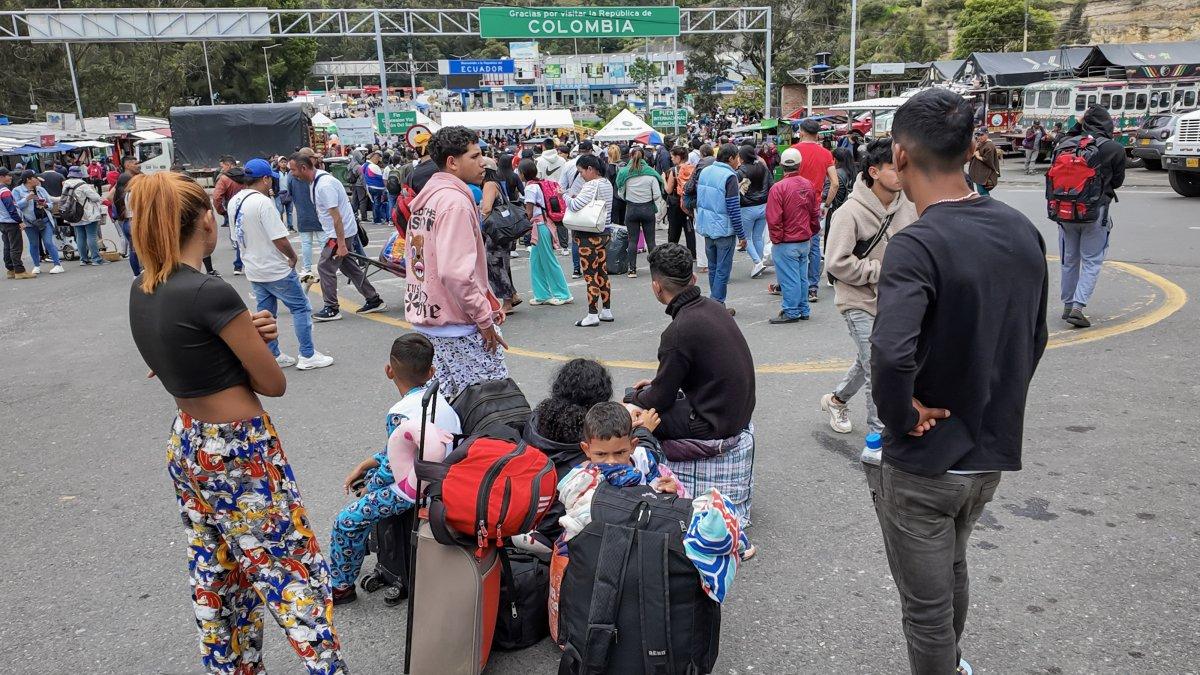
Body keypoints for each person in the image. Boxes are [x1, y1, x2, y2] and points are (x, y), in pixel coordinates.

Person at [126, 171, 347, 674]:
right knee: (291, 572)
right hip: (240, 452)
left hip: (189, 443)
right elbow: (272, 383)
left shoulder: (145, 288)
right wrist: (255, 338)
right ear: (206, 220)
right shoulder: (210, 292)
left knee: (218, 572)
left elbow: (174, 358)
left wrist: (245, 332)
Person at [867, 88, 1048, 675]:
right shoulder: (1022, 229)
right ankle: (955, 660)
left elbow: (891, 354)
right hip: (987, 454)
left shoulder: (917, 243)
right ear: (971, 146)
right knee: (953, 569)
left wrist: (902, 414)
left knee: (925, 608)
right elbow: (1034, 337)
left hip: (925, 462)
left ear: (899, 156)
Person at [626, 243, 757, 523]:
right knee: (641, 396)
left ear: (656, 287)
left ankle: (638, 485)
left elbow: (659, 399)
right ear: (693, 280)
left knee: (632, 412)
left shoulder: (678, 331)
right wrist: (653, 388)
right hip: (732, 408)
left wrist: (634, 401)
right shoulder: (713, 307)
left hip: (713, 420)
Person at [328, 333, 460, 604]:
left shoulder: (400, 412)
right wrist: (367, 464)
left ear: (389, 371)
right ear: (431, 371)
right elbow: (401, 450)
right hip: (445, 476)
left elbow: (391, 472)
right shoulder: (440, 399)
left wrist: (367, 487)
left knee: (346, 521)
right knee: (368, 499)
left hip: (415, 489)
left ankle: (341, 587)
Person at [818, 138, 917, 434]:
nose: (901, 175)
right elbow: (835, 263)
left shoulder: (909, 206)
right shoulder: (849, 212)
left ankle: (836, 400)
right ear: (873, 171)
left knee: (872, 359)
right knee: (878, 367)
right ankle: (881, 434)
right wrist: (881, 271)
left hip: (897, 299)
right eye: (894, 168)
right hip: (857, 299)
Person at [404, 126, 508, 399]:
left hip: (428, 320)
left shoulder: (429, 198)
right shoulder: (455, 203)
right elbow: (456, 273)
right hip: (458, 328)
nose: (482, 162)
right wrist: (484, 319)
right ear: (452, 162)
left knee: (447, 410)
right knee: (490, 407)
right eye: (474, 156)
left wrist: (489, 302)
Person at [228, 158, 334, 371]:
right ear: (266, 179)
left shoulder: (235, 201)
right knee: (301, 308)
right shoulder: (262, 202)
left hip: (254, 268)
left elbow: (235, 237)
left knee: (265, 313)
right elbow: (279, 238)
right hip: (275, 268)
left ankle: (273, 354)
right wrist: (293, 257)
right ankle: (307, 355)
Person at [289, 152, 387, 322]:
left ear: (304, 168)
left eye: (293, 170)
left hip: (339, 234)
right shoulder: (316, 181)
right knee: (349, 267)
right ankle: (373, 299)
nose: (292, 174)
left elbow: (337, 218)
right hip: (338, 233)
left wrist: (341, 244)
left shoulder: (324, 185)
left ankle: (331, 308)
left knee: (325, 267)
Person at [1054, 104, 1126, 328]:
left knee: (1069, 260)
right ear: (1107, 123)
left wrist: (1079, 123)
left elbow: (1068, 136)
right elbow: (1117, 182)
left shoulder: (1064, 144)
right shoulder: (1114, 148)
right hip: (1096, 213)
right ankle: (1078, 307)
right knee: (1092, 261)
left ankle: (1067, 305)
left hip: (1064, 212)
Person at [764, 147, 820, 324]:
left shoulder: (778, 188)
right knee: (801, 277)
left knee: (790, 279)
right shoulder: (808, 184)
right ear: (799, 164)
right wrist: (812, 231)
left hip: (787, 241)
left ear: (781, 164)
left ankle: (791, 311)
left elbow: (774, 218)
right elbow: (814, 212)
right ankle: (803, 308)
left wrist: (777, 239)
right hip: (804, 239)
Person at [791, 118, 839, 304]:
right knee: (814, 244)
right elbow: (834, 183)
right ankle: (812, 287)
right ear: (818, 134)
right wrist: (826, 205)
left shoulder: (793, 151)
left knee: (791, 243)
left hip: (794, 204)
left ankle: (793, 284)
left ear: (801, 132)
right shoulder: (826, 154)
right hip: (815, 204)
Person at [693, 144, 745, 310]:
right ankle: (717, 304)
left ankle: (714, 301)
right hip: (723, 229)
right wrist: (742, 235)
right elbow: (733, 209)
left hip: (706, 227)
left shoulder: (705, 172)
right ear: (730, 158)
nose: (739, 161)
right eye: (737, 157)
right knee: (723, 269)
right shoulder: (730, 176)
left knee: (713, 267)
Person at [565, 154, 615, 327]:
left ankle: (592, 314)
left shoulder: (591, 185)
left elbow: (575, 205)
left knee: (590, 275)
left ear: (590, 169)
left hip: (588, 235)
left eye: (581, 172)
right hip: (604, 231)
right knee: (602, 272)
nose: (581, 176)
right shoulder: (606, 183)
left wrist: (564, 196)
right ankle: (606, 310)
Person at [520, 158, 573, 306]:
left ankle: (563, 294)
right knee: (536, 261)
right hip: (543, 224)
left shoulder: (530, 188)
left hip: (539, 226)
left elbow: (529, 212)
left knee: (548, 261)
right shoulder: (538, 184)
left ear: (523, 173)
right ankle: (541, 294)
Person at [479, 156, 523, 313]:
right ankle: (513, 295)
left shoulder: (489, 185)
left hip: (495, 233)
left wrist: (479, 221)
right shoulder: (496, 183)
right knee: (503, 264)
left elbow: (486, 209)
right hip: (503, 231)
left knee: (495, 264)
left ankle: (507, 302)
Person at [615, 146, 664, 278]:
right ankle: (655, 270)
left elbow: (620, 192)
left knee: (632, 241)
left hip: (631, 209)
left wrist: (630, 198)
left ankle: (632, 270)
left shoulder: (624, 172)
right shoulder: (651, 174)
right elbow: (657, 194)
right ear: (644, 157)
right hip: (648, 209)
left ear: (630, 156)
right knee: (651, 242)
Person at [13, 171, 63, 275]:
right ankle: (36, 266)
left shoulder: (41, 189)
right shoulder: (17, 191)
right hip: (29, 222)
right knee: (34, 244)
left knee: (48, 242)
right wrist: (26, 199)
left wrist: (44, 205)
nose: (37, 180)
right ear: (28, 179)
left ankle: (58, 264)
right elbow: (15, 207)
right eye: (35, 178)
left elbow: (50, 204)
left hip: (44, 220)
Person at [737, 144, 772, 279]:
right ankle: (760, 262)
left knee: (746, 237)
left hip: (747, 208)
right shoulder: (763, 167)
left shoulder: (740, 172)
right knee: (758, 236)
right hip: (763, 205)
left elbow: (737, 190)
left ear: (742, 157)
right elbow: (770, 184)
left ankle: (757, 262)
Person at [62, 165, 106, 266]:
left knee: (80, 236)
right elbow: (95, 197)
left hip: (74, 214)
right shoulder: (83, 185)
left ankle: (83, 259)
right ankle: (96, 259)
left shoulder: (66, 185)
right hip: (87, 213)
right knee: (91, 235)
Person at [290, 149, 324, 279]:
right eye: (312, 157)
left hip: (302, 212)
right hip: (316, 212)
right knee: (322, 241)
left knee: (307, 242)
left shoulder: (292, 176)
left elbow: (290, 192)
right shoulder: (314, 174)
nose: (314, 159)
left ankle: (307, 267)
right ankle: (327, 265)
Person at [212, 155, 245, 275]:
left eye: (223, 166)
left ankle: (238, 266)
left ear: (229, 165)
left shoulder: (224, 179)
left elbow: (216, 197)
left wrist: (222, 211)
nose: (222, 169)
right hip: (250, 207)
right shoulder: (246, 174)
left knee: (238, 237)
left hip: (233, 210)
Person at [1, 168, 34, 280]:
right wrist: (19, 221)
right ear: (1, 177)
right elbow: (11, 208)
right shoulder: (4, 191)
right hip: (11, 222)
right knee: (16, 247)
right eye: (8, 175)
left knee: (7, 246)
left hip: (2, 222)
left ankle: (11, 269)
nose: (10, 177)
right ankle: (19, 271)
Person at [967, 128, 1000, 196]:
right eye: (978, 135)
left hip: (984, 175)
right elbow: (971, 155)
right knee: (981, 192)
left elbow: (988, 160)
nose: (979, 137)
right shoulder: (981, 143)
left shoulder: (989, 145)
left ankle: (987, 205)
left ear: (987, 134)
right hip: (979, 174)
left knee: (983, 193)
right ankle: (986, 205)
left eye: (982, 135)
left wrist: (978, 156)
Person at [363, 151, 388, 224]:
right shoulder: (374, 166)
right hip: (378, 188)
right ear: (375, 158)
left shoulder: (364, 165)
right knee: (377, 204)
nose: (378, 161)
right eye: (378, 159)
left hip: (369, 187)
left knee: (374, 203)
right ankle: (377, 220)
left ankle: (375, 218)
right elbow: (382, 177)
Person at [275, 156, 295, 231]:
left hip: (288, 193)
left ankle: (290, 226)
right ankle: (281, 227)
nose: (283, 163)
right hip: (279, 194)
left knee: (289, 211)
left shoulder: (290, 172)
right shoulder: (275, 172)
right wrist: (273, 191)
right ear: (278, 163)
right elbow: (272, 182)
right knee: (280, 211)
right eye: (281, 162)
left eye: (285, 162)